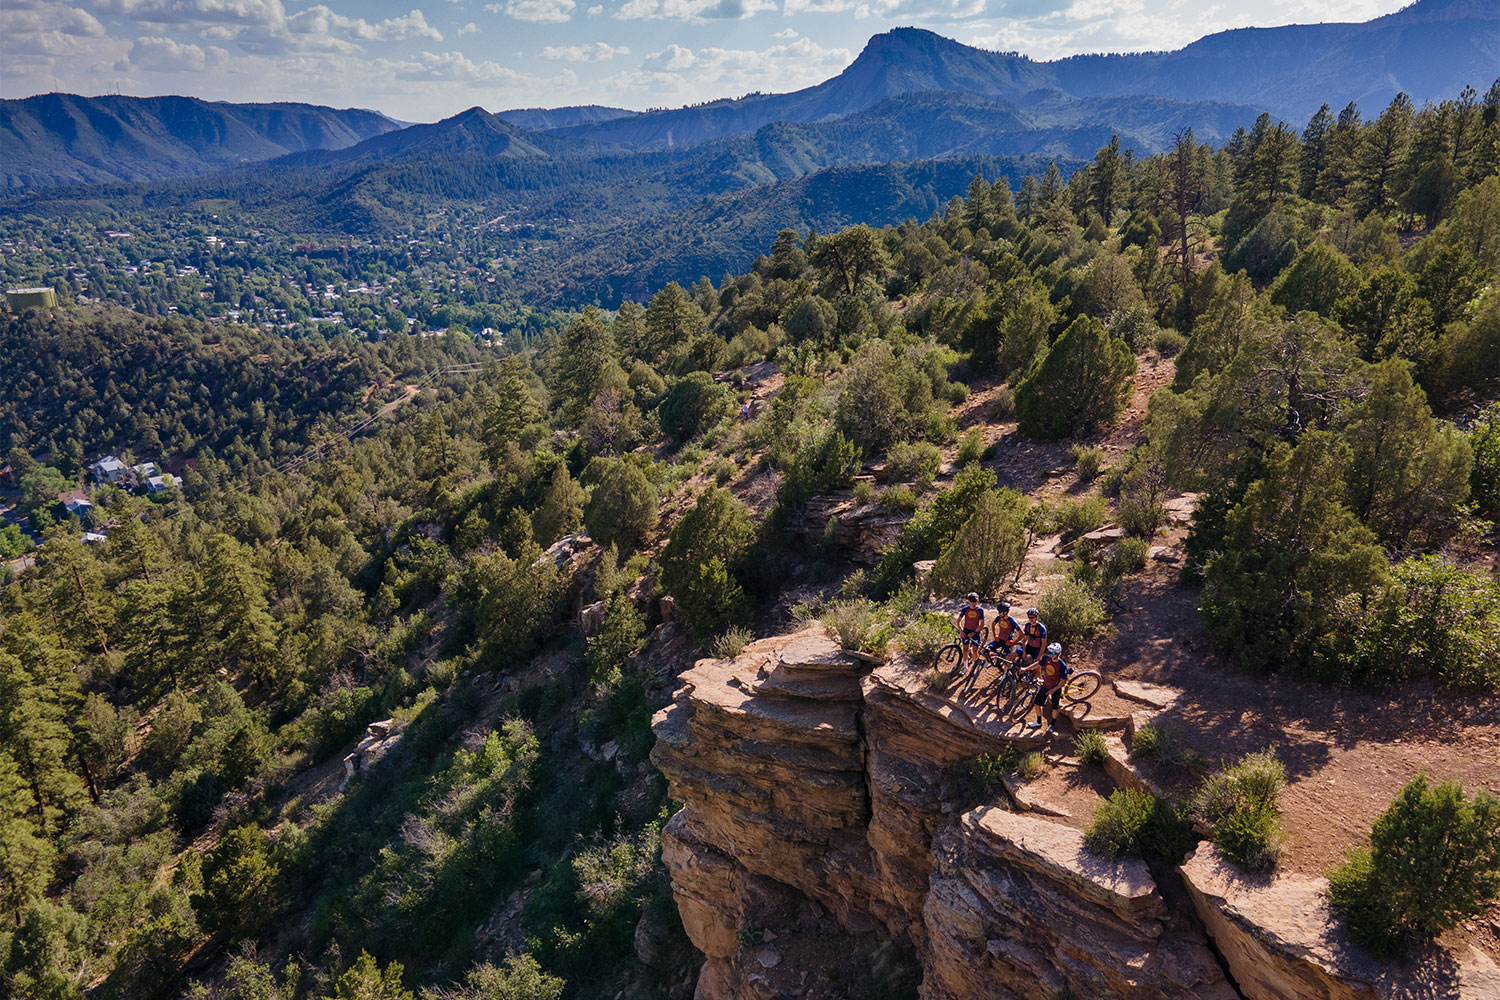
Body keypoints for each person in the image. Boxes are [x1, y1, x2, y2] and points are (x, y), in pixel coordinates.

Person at [1024, 642, 1070, 734]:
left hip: (1055, 688)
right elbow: (1038, 664)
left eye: (1054, 653)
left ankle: (1052, 725)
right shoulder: (1046, 658)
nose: (1051, 655)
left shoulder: (1062, 666)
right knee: (1037, 704)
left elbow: (1063, 681)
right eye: (1050, 652)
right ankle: (1038, 722)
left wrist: (1053, 690)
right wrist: (1026, 669)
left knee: (1055, 707)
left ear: (1059, 654)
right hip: (1045, 685)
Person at [953, 592, 986, 670]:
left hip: (975, 631)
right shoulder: (965, 609)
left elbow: (982, 624)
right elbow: (958, 621)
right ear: (968, 601)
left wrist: (974, 632)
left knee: (975, 650)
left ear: (977, 601)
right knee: (965, 649)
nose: (973, 603)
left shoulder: (980, 610)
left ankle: (974, 666)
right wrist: (961, 631)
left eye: (974, 601)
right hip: (966, 630)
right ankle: (965, 666)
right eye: (971, 601)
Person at [986, 600, 1023, 666]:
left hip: (1007, 642)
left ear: (1005, 612)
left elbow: (1021, 634)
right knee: (985, 650)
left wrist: (1014, 642)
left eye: (1000, 612)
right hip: (999, 639)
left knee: (1007, 659)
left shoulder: (1012, 621)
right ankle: (994, 658)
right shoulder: (998, 618)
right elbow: (993, 624)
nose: (998, 613)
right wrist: (995, 635)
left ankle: (1008, 673)